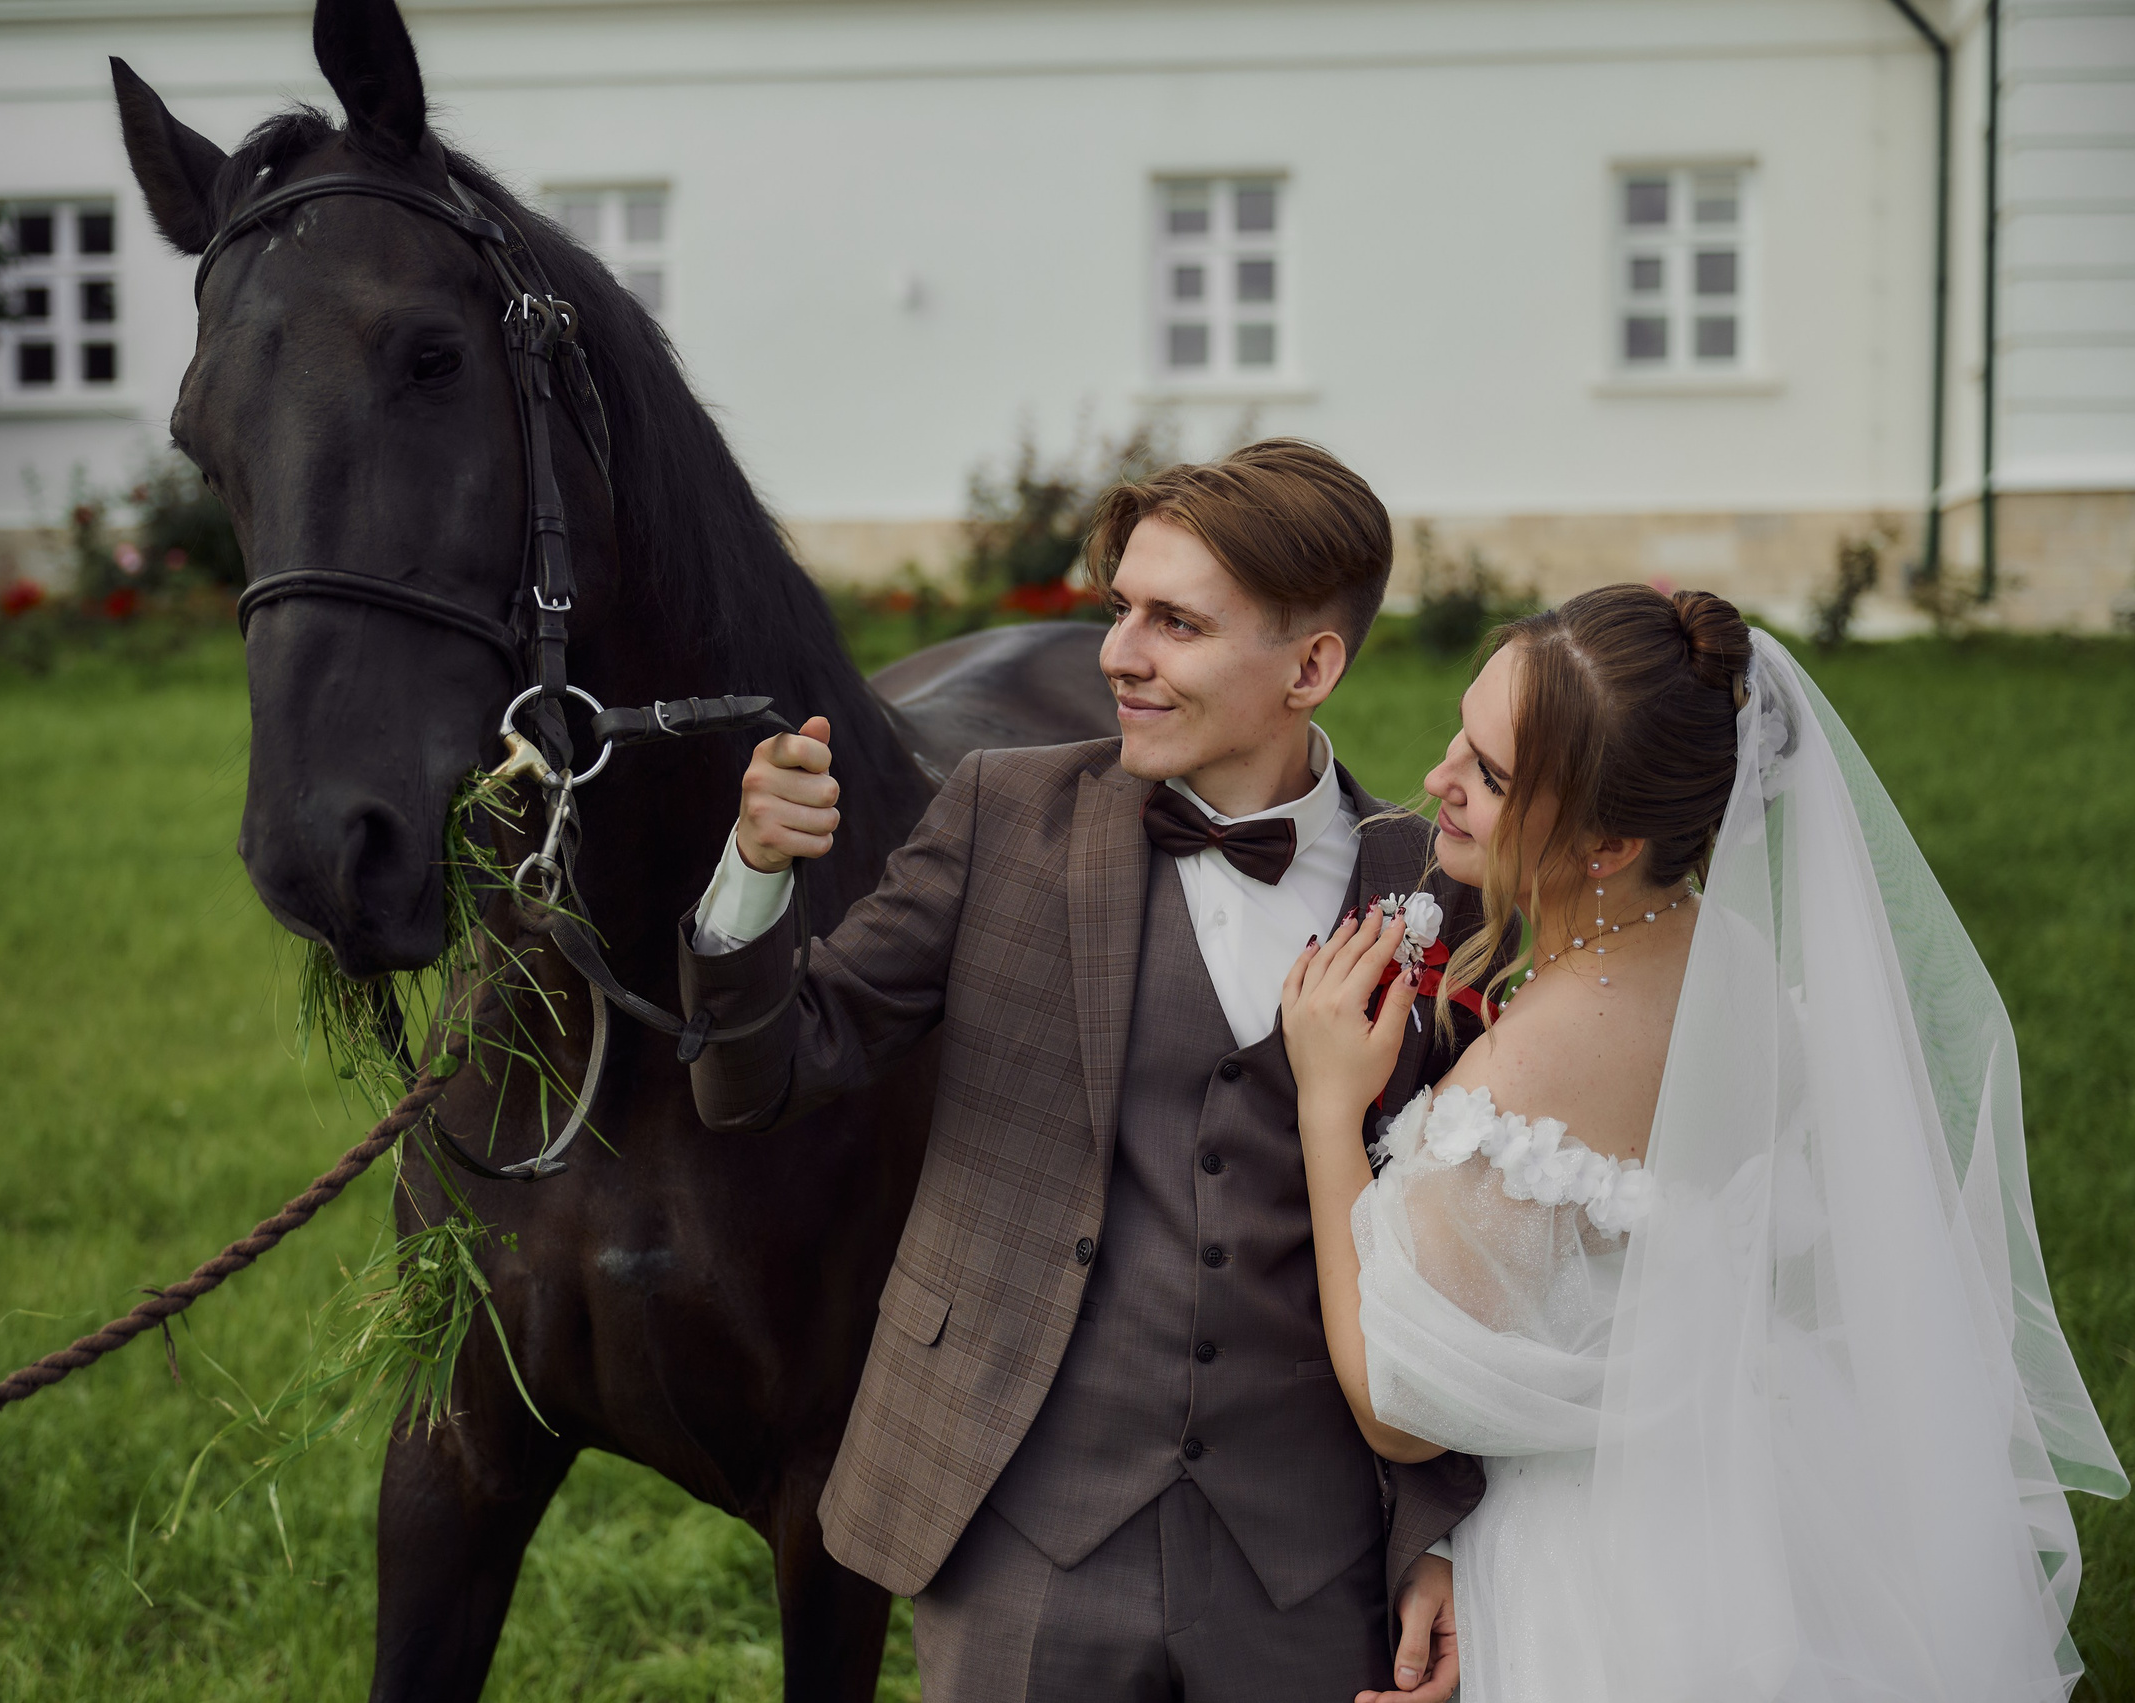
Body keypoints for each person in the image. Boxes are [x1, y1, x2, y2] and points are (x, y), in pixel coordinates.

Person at [678, 438, 1491, 1702]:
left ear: (1311, 667)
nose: (1118, 652)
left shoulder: (1431, 890)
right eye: (1121, 609)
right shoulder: (1001, 814)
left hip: (1309, 1553)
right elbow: (762, 1077)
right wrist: (753, 875)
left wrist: (1435, 1533)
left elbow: (1469, 1266)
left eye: (1176, 622)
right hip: (1019, 1524)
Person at [1279, 585, 2127, 1703]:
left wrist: (1326, 1106)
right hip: (1752, 1512)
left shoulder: (1533, 1067)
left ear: (1609, 841)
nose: (1438, 777)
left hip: (1595, 1571)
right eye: (1462, 735)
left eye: (1489, 774)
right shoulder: (1731, 963)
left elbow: (1397, 1407)